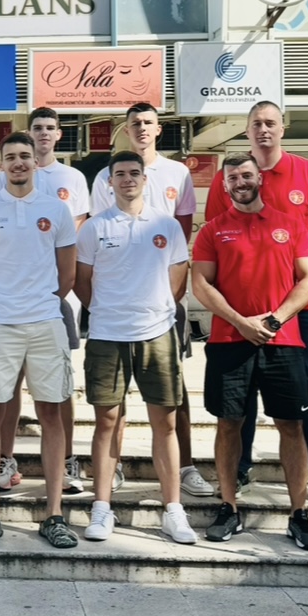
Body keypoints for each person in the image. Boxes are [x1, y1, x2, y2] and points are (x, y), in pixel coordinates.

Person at [204, 101, 308, 509]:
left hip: (302, 306)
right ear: (246, 131)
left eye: (270, 123)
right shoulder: (229, 177)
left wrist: (296, 275)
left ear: (283, 128)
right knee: (239, 397)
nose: (263, 130)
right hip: (243, 315)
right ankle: (240, 468)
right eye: (256, 124)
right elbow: (217, 236)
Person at [192, 152, 308, 551]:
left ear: (259, 178)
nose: (240, 182)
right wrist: (240, 322)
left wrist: (274, 320)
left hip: (282, 342)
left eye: (246, 175)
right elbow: (201, 284)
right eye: (232, 178)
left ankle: (299, 514)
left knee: (292, 426)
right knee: (228, 424)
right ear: (224, 185)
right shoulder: (212, 231)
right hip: (229, 342)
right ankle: (228, 507)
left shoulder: (292, 224)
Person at [88, 102, 214, 499]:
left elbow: (181, 238)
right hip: (114, 313)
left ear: (158, 129)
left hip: (161, 309)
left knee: (172, 395)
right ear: (125, 130)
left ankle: (186, 467)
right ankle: (113, 468)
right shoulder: (106, 176)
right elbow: (99, 246)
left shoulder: (177, 172)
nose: (142, 128)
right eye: (135, 123)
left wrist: (164, 298)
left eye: (148, 122)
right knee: (113, 403)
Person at [0, 131, 77, 549]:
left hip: (45, 323)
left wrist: (37, 302)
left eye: (25, 156)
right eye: (10, 157)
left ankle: (54, 515)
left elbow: (67, 275)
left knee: (51, 414)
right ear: (1, 164)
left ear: (35, 161)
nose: (18, 163)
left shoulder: (56, 209)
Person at [75, 151, 197, 545]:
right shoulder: (94, 228)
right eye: (120, 174)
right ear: (109, 182)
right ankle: (101, 507)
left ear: (145, 179)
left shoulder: (166, 226)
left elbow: (177, 280)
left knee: (166, 422)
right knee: (107, 421)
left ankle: (173, 510)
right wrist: (108, 310)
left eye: (134, 173)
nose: (127, 179)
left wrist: (153, 309)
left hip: (157, 334)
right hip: (107, 333)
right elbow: (82, 282)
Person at [0, 108, 90, 495]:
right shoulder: (5, 176)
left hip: (53, 297)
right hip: (10, 302)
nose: (43, 133)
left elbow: (74, 231)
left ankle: (67, 461)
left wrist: (52, 291)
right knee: (9, 383)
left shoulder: (72, 178)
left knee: (58, 386)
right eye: (37, 128)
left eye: (50, 128)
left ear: (58, 135)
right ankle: (5, 459)